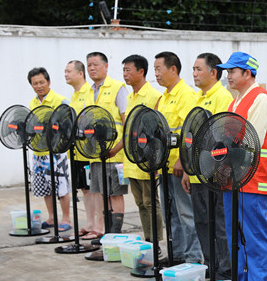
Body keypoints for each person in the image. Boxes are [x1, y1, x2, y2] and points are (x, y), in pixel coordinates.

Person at [217, 52, 267, 281]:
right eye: (228, 71)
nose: (228, 76)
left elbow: (253, 141)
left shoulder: (260, 99)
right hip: (233, 178)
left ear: (248, 73)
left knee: (254, 236)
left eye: (232, 71)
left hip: (253, 178)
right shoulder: (236, 101)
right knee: (235, 236)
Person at [181, 52, 233, 280]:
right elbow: (190, 137)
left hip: (214, 174)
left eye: (198, 69)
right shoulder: (195, 98)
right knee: (202, 222)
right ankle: (210, 265)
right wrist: (187, 170)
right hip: (196, 173)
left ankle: (225, 270)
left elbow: (224, 138)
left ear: (213, 73)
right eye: (193, 69)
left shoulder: (222, 97)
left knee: (219, 224)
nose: (194, 73)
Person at [154, 51, 203, 264]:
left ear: (173, 69)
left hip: (178, 166)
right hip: (164, 165)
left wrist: (183, 160)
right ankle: (177, 254)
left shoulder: (186, 95)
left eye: (159, 69)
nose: (156, 74)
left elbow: (189, 130)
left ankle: (193, 258)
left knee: (186, 213)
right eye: (155, 70)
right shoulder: (164, 97)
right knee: (170, 213)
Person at [121, 54, 164, 250]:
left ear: (141, 71)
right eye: (123, 70)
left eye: (128, 70)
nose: (125, 74)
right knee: (139, 202)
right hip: (132, 159)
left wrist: (154, 160)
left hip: (147, 159)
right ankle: (147, 239)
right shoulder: (130, 97)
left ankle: (156, 241)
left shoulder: (154, 96)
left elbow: (157, 132)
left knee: (150, 202)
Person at [86, 51, 128, 236]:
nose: (92, 68)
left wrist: (117, 148)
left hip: (115, 155)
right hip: (96, 154)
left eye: (95, 64)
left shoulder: (118, 88)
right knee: (102, 194)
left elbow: (127, 123)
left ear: (106, 66)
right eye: (89, 65)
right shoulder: (89, 91)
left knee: (115, 194)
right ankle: (107, 233)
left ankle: (116, 233)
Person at [27, 67, 72, 233]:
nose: (39, 86)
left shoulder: (60, 101)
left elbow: (68, 126)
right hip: (39, 152)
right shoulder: (33, 102)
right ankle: (52, 218)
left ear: (49, 82)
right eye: (35, 83)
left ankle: (66, 219)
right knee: (46, 188)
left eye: (42, 82)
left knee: (61, 187)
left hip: (56, 152)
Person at [64, 60, 97, 239]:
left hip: (88, 150)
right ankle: (90, 223)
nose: (66, 74)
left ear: (80, 73)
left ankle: (97, 225)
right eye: (65, 71)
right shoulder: (74, 95)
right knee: (84, 188)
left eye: (69, 71)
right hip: (76, 150)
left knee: (92, 188)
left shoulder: (89, 93)